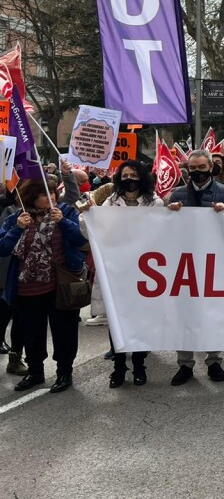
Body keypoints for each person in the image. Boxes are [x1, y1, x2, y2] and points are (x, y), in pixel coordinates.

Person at [0, 180, 88, 393]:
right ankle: (35, 372)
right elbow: (2, 248)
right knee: (32, 333)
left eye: (52, 192)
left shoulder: (65, 211)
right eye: (44, 194)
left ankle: (64, 372)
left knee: (64, 331)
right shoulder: (16, 217)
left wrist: (64, 223)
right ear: (31, 197)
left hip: (60, 286)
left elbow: (81, 239)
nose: (51, 198)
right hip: (26, 289)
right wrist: (17, 229)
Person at [165, 150, 224, 385]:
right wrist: (169, 214)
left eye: (201, 167)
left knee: (213, 313)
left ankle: (214, 361)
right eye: (192, 168)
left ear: (211, 167)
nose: (197, 172)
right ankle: (184, 364)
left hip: (215, 264)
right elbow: (163, 230)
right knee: (183, 314)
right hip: (183, 264)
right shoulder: (176, 194)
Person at [98, 161, 159, 387]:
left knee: (140, 320)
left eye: (133, 175)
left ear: (142, 177)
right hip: (119, 270)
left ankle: (139, 365)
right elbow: (92, 229)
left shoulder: (155, 203)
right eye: (125, 175)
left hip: (146, 271)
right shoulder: (110, 202)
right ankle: (119, 367)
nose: (129, 179)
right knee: (117, 321)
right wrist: (87, 214)